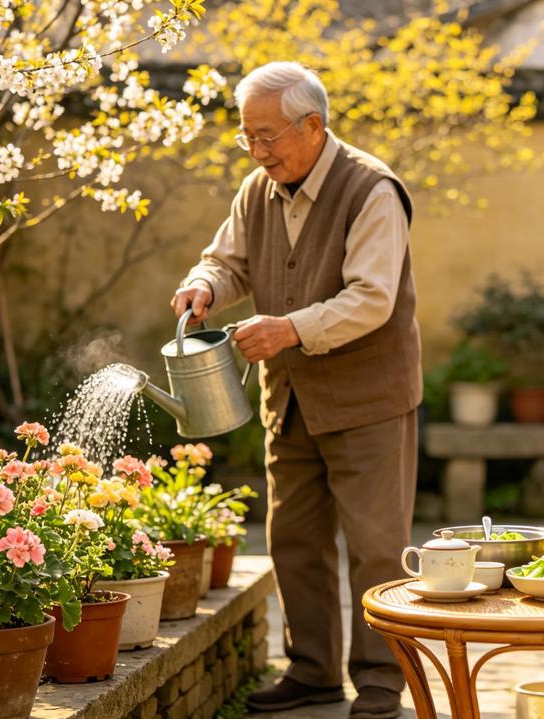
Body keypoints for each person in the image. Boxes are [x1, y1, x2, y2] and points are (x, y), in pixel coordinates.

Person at [172, 61, 419, 719]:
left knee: (376, 547)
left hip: (369, 399)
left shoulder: (372, 190)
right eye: (247, 138)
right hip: (289, 398)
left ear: (313, 125)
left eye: (268, 136)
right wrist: (206, 286)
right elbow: (227, 261)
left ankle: (381, 677)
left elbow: (372, 298)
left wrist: (288, 329)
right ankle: (312, 671)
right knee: (293, 540)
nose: (257, 151)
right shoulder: (256, 190)